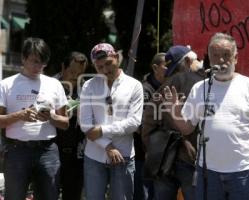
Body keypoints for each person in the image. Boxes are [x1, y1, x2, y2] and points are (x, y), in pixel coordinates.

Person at [163, 32, 249, 200]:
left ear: (235, 58)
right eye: (216, 56)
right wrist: (175, 112)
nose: (221, 60)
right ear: (209, 59)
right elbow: (187, 128)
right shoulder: (200, 88)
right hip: (208, 172)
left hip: (243, 171)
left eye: (226, 55)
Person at [0, 37, 69, 200]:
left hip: (47, 150)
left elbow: (65, 123)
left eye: (43, 63)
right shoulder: (6, 84)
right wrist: (19, 115)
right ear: (23, 59)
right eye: (35, 61)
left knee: (49, 195)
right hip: (17, 150)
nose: (39, 67)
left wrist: (51, 117)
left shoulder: (54, 84)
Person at [79, 43, 144, 200]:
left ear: (116, 57)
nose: (105, 69)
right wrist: (107, 146)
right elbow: (86, 125)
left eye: (108, 63)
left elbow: (134, 122)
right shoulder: (89, 85)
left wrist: (101, 130)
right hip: (94, 156)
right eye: (100, 67)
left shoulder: (134, 85)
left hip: (124, 155)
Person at [142, 45, 205, 200]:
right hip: (191, 160)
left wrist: (154, 148)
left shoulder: (165, 87)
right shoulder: (205, 85)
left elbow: (148, 122)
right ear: (190, 60)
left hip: (164, 160)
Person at [54, 51, 88, 200]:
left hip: (77, 152)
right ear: (63, 67)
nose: (75, 77)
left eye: (80, 73)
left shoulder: (86, 88)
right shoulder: (50, 85)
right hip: (52, 150)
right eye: (72, 71)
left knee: (73, 194)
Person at [134, 52, 167, 200]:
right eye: (166, 66)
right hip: (144, 155)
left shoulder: (169, 86)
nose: (170, 69)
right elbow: (141, 123)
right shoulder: (144, 89)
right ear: (155, 67)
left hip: (164, 156)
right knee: (144, 194)